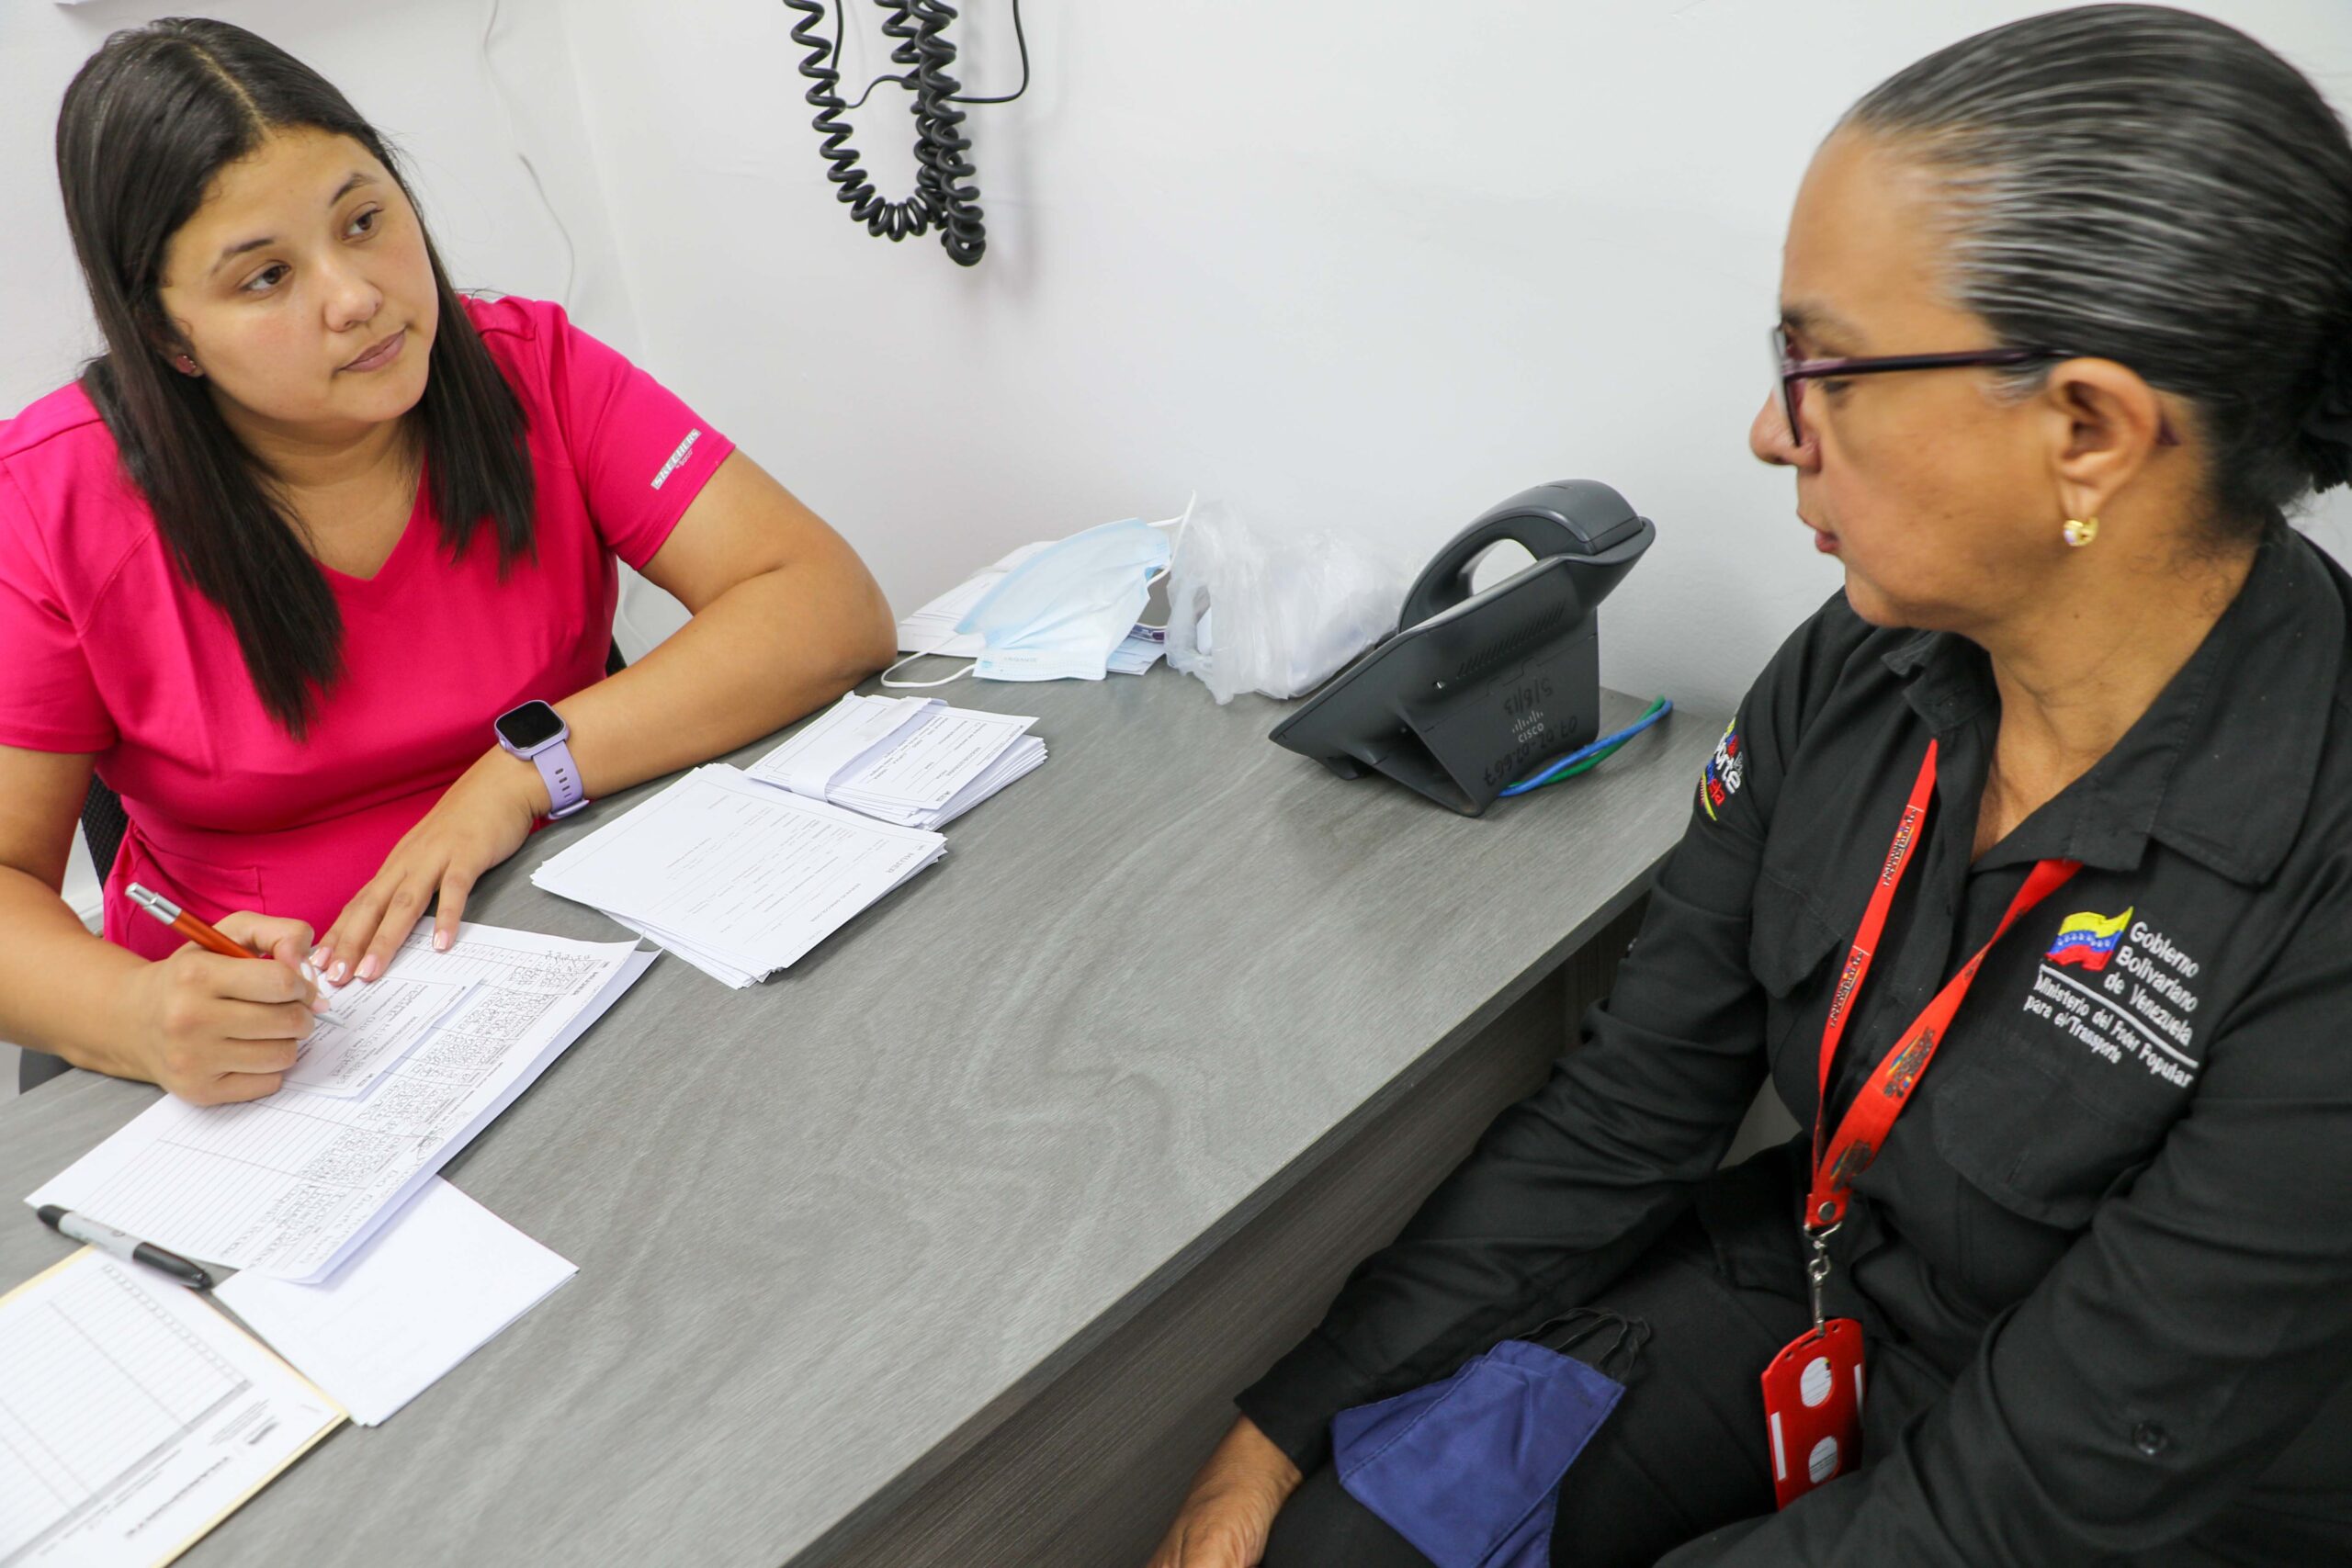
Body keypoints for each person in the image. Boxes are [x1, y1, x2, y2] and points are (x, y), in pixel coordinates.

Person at [1150, 6, 2352, 1565]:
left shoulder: (2321, 884)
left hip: (2135, 1502)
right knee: (1343, 1544)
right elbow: (1624, 1113)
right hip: (1828, 1293)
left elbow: (2021, 1505)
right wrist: (1284, 1420)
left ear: (2088, 431)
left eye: (1827, 369)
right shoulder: (1860, 670)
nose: (1773, 432)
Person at [0, 20, 895, 1104]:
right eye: (266, 277)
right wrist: (135, 1019)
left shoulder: (532, 367)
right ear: (172, 339)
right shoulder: (49, 502)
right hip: (291, 1049)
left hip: (606, 953)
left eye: (365, 221)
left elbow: (821, 602)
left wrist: (522, 772)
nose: (356, 295)